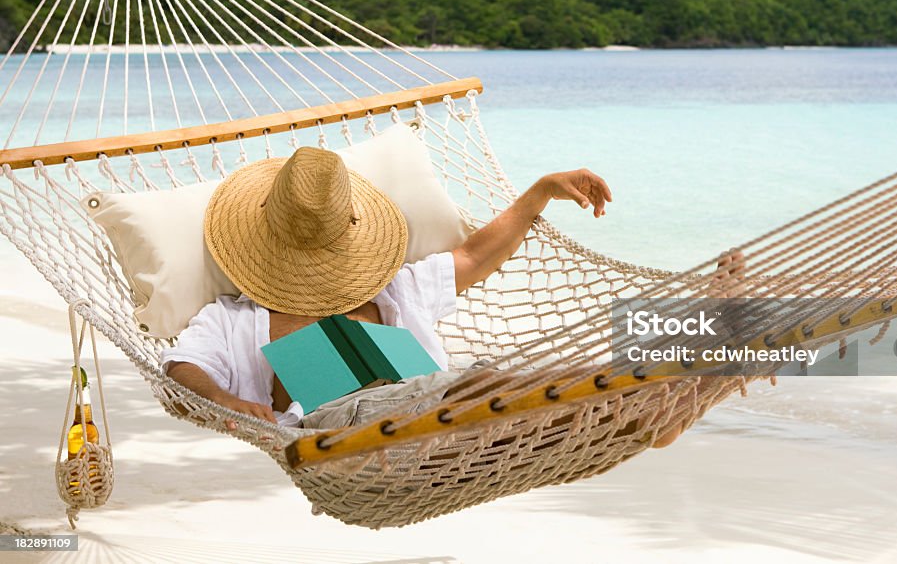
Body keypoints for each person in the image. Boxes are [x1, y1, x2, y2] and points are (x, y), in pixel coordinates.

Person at [162, 146, 614, 431]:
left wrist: (539, 193)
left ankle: (630, 422)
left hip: (442, 411)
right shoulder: (232, 317)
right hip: (346, 431)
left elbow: (474, 257)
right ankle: (616, 402)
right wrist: (225, 402)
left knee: (504, 391)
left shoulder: (394, 290)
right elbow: (183, 366)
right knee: (491, 386)